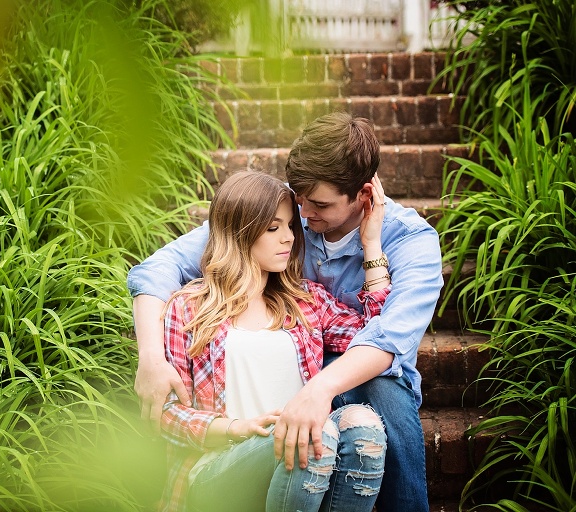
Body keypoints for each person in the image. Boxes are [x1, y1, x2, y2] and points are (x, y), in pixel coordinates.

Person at [129, 112, 443, 512]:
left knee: (378, 400)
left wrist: (372, 249)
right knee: (321, 442)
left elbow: (384, 337)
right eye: (297, 203)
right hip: (230, 445)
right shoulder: (271, 219)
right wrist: (151, 359)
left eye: (318, 205)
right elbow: (157, 269)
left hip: (359, 369)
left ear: (363, 196)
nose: (301, 222)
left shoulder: (405, 243)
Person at [160, 170, 390, 512]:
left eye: (289, 227)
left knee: (364, 427)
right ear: (238, 232)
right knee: (315, 435)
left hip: (303, 458)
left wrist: (371, 244)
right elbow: (165, 415)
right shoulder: (189, 307)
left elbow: (378, 337)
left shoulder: (307, 301)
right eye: (273, 228)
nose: (289, 238)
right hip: (218, 468)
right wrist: (236, 429)